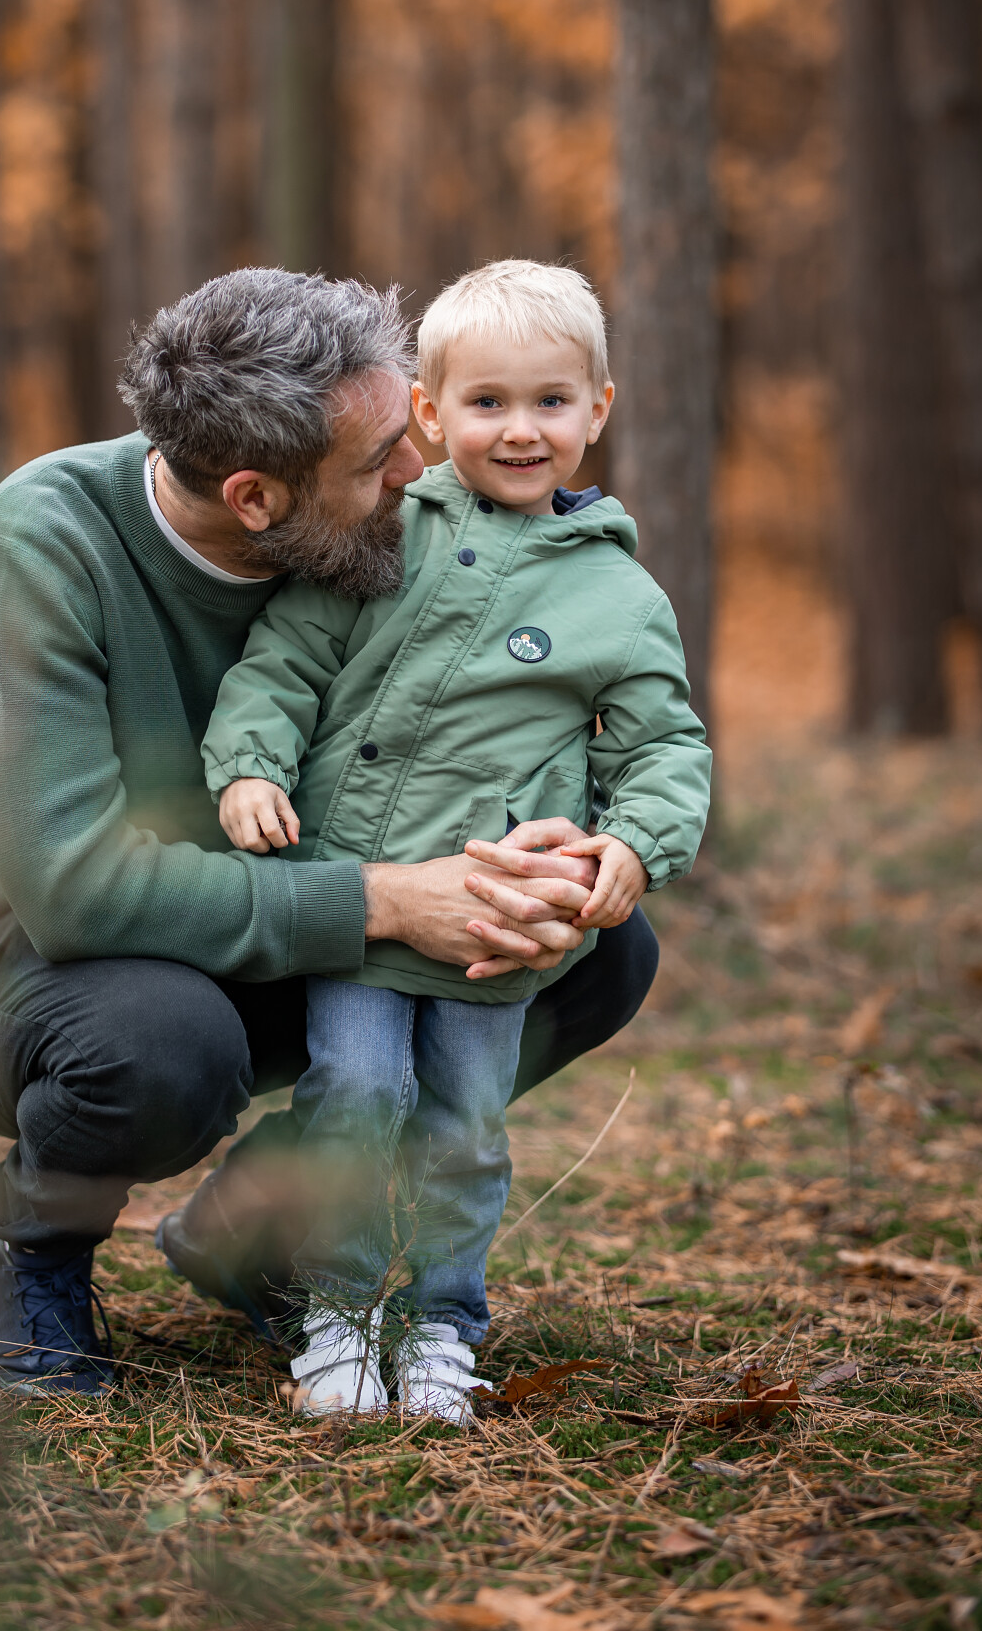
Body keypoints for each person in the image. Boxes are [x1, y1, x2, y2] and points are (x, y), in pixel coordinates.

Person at [0, 268, 660, 1397]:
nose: (416, 468)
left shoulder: (383, 544)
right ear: (255, 498)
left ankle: (261, 1223)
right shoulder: (47, 540)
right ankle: (36, 1242)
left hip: (260, 915)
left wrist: (552, 851)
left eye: (409, 428)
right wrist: (390, 900)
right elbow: (75, 890)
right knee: (162, 1043)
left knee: (579, 948)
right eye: (378, 457)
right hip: (19, 966)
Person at [200, 261, 711, 1422]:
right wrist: (247, 765)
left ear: (598, 409)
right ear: (429, 414)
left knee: (465, 1128)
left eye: (549, 401)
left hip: (499, 922)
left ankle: (440, 1320)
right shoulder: (384, 534)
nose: (519, 429)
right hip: (359, 900)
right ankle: (330, 1307)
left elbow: (663, 748)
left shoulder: (620, 597)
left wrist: (634, 840)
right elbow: (283, 662)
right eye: (485, 402)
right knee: (355, 1093)